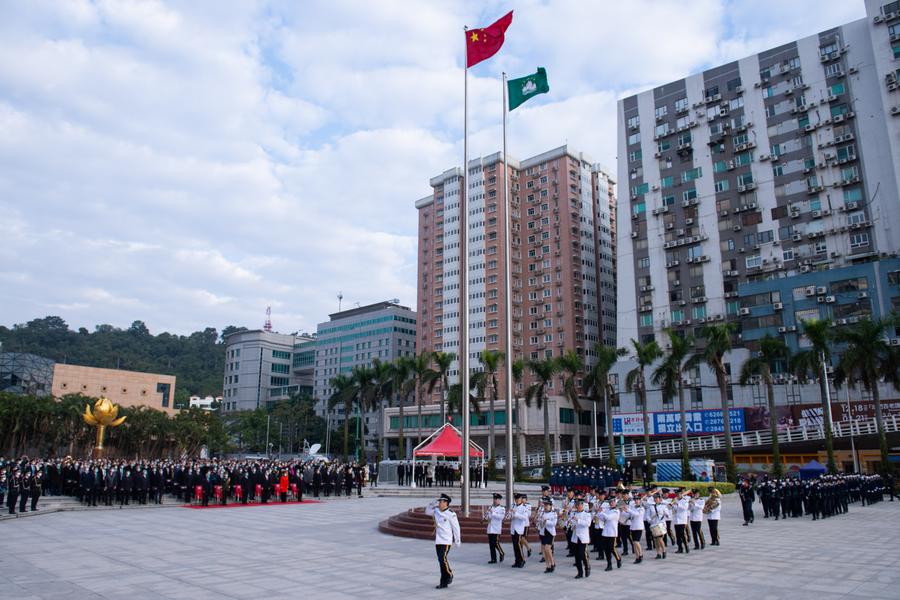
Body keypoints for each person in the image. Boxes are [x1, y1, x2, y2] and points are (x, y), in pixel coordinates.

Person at [425, 493, 461, 589]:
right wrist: (433, 502)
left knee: (442, 559)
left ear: (446, 503)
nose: (440, 503)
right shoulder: (436, 510)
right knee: (441, 562)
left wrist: (457, 540)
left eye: (442, 501)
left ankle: (450, 574)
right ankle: (443, 583)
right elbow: (427, 511)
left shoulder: (451, 514)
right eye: (439, 501)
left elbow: (456, 527)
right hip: (438, 540)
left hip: (446, 541)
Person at [570, 497, 592, 579]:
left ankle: (587, 567)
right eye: (576, 504)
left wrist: (578, 520)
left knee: (582, 554)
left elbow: (588, 524)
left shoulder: (587, 514)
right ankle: (580, 572)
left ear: (582, 505)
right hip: (575, 537)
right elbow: (572, 524)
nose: (577, 506)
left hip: (583, 537)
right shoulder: (573, 514)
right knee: (576, 556)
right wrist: (571, 525)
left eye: (579, 504)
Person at [597, 500, 622, 571]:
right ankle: (609, 564)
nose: (611, 503)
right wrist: (599, 512)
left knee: (612, 548)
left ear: (615, 503)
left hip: (612, 532)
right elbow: (602, 518)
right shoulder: (607, 510)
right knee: (606, 549)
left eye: (612, 502)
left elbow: (608, 518)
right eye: (610, 502)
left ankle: (618, 558)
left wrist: (602, 512)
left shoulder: (616, 511)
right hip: (605, 532)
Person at [483, 493, 505, 564]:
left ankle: (501, 553)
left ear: (499, 500)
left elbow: (501, 517)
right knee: (491, 544)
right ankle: (493, 559)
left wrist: (493, 513)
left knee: (495, 542)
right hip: (490, 528)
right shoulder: (490, 507)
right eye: (494, 499)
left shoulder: (502, 508)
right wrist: (485, 517)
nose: (495, 500)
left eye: (496, 499)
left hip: (496, 528)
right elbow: (488, 516)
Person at [509, 493, 530, 568]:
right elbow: (511, 515)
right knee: (515, 546)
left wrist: (515, 513)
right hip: (513, 529)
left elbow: (525, 518)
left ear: (521, 499)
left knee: (519, 546)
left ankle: (522, 560)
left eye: (518, 499)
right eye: (516, 499)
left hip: (519, 529)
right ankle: (517, 561)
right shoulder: (513, 506)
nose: (517, 500)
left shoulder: (524, 507)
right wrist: (510, 515)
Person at [537, 498, 557, 573]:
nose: (545, 506)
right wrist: (539, 521)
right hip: (543, 532)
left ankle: (552, 563)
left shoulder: (554, 513)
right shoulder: (542, 513)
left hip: (550, 533)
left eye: (547, 505)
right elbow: (540, 522)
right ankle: (548, 565)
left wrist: (546, 521)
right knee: (545, 551)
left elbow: (554, 524)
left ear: (550, 506)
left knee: (547, 549)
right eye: (545, 505)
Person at [625, 494, 645, 563]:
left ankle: (641, 554)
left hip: (639, 527)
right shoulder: (632, 507)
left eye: (638, 500)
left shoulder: (641, 508)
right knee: (634, 543)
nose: (636, 501)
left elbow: (637, 514)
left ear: (640, 501)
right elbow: (630, 515)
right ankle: (637, 557)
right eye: (635, 500)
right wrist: (623, 510)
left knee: (636, 542)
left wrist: (628, 510)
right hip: (633, 527)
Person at [673, 489, 691, 554]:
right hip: (676, 520)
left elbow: (685, 508)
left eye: (678, 494)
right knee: (677, 535)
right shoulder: (675, 500)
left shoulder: (685, 500)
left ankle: (686, 547)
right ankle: (680, 548)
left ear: (681, 494)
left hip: (682, 520)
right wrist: (672, 505)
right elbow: (673, 509)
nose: (677, 495)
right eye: (676, 494)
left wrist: (677, 503)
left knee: (682, 535)